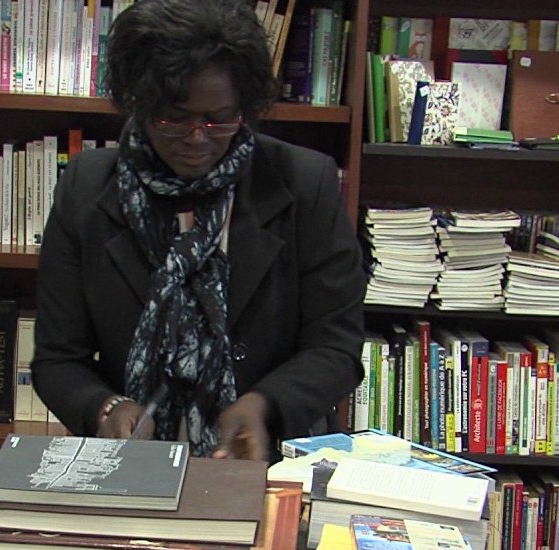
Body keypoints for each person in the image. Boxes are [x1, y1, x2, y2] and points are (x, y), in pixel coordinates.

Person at [31, 0, 366, 462]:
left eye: (220, 118)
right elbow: (56, 359)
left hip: (270, 462)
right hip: (129, 465)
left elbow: (337, 346)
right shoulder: (85, 189)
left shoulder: (303, 182)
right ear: (138, 102)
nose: (197, 137)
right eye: (174, 117)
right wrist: (105, 407)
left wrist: (264, 404)